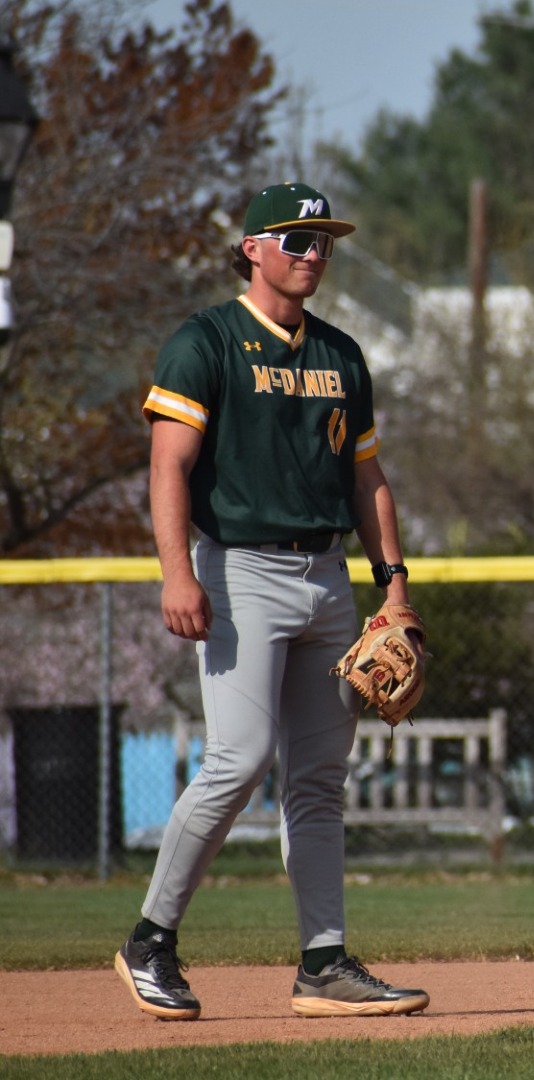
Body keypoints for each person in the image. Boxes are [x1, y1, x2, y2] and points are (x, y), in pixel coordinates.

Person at [118, 182, 429, 1021]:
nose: (314, 254)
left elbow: (367, 478)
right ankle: (150, 939)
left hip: (327, 576)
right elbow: (169, 465)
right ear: (252, 248)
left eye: (323, 242)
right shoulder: (206, 342)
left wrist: (394, 586)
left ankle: (323, 963)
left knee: (320, 780)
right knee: (240, 758)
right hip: (241, 572)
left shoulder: (342, 355)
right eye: (297, 240)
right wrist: (177, 573)